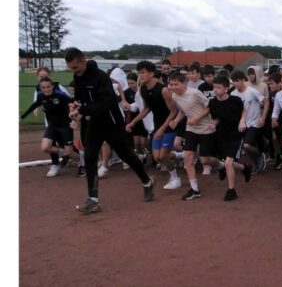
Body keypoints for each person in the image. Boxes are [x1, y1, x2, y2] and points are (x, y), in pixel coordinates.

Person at [65, 48, 155, 213]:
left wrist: (83, 110)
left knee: (126, 155)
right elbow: (80, 98)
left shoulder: (101, 78)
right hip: (93, 123)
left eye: (75, 67)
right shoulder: (77, 78)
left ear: (83, 60)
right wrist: (75, 105)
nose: (73, 71)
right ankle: (93, 199)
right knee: (90, 157)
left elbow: (106, 103)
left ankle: (147, 181)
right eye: (71, 68)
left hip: (111, 123)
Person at [166, 71, 225, 201]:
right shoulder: (175, 96)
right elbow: (183, 110)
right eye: (171, 84)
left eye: (176, 84)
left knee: (205, 160)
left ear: (184, 83)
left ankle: (222, 166)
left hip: (205, 128)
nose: (173, 87)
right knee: (188, 158)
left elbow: (209, 107)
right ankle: (195, 189)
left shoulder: (195, 93)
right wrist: (176, 120)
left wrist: (196, 118)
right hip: (191, 128)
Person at [126, 60, 181, 190]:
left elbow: (174, 112)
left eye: (143, 72)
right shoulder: (143, 89)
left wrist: (162, 129)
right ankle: (180, 155)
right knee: (156, 157)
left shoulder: (163, 90)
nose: (140, 75)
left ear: (151, 73)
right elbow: (146, 109)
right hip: (157, 125)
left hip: (169, 125)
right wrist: (132, 123)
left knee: (162, 155)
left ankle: (175, 177)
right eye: (139, 72)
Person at [19, 76, 77, 176]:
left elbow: (73, 101)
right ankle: (63, 153)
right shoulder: (40, 96)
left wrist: (75, 116)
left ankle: (82, 162)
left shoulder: (60, 95)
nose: (46, 89)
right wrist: (22, 116)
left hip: (64, 125)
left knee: (71, 152)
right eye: (43, 87)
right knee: (45, 147)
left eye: (48, 87)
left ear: (52, 86)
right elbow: (34, 105)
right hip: (52, 126)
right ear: (40, 88)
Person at [208, 75, 253, 201]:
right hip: (222, 134)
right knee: (229, 162)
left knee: (227, 163)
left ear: (226, 89)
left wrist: (242, 121)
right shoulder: (213, 102)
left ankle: (231, 190)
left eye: (218, 88)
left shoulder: (236, 100)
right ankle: (245, 168)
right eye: (214, 87)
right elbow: (217, 118)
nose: (215, 90)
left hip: (236, 133)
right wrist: (213, 124)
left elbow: (244, 110)